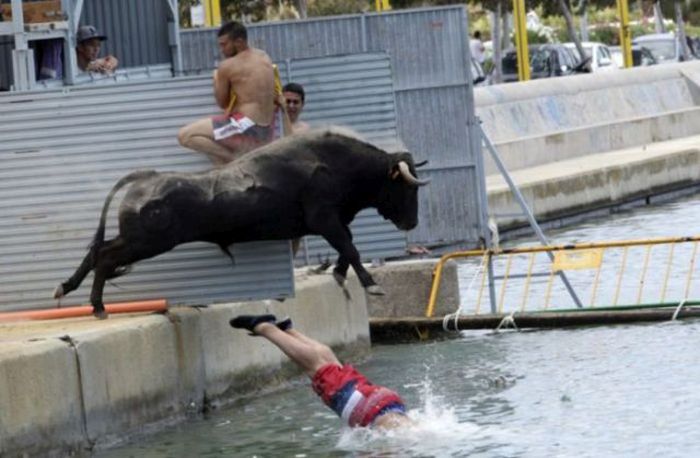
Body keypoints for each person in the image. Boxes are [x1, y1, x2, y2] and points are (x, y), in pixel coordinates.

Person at [230, 314, 412, 429]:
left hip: (385, 400)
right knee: (317, 367)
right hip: (366, 408)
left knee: (333, 366)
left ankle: (289, 330)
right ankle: (265, 327)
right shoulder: (401, 437)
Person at [178, 21, 290, 165]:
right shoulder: (264, 56)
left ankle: (236, 161)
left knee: (185, 136)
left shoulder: (227, 66)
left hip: (246, 126)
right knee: (216, 157)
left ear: (239, 42)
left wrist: (217, 78)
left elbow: (222, 102)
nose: (222, 50)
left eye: (224, 44)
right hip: (267, 129)